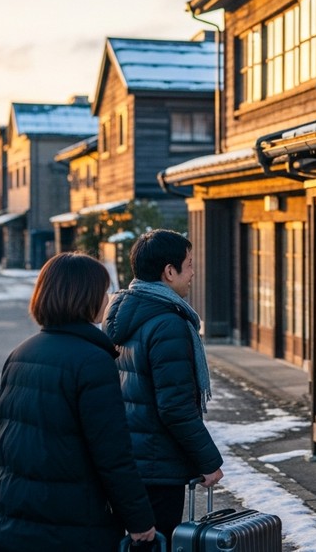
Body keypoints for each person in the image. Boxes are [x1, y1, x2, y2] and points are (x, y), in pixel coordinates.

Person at [0, 252, 158, 552]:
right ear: (85, 296)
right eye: (103, 290)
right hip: (67, 527)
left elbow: (5, 444)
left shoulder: (20, 354)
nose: (107, 298)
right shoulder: (92, 360)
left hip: (10, 519)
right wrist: (140, 520)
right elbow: (112, 453)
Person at [105, 229, 224, 539]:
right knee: (158, 541)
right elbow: (175, 405)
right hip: (158, 466)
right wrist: (208, 461)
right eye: (189, 263)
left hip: (127, 458)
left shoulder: (123, 311)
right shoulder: (167, 322)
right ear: (169, 272)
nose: (194, 272)